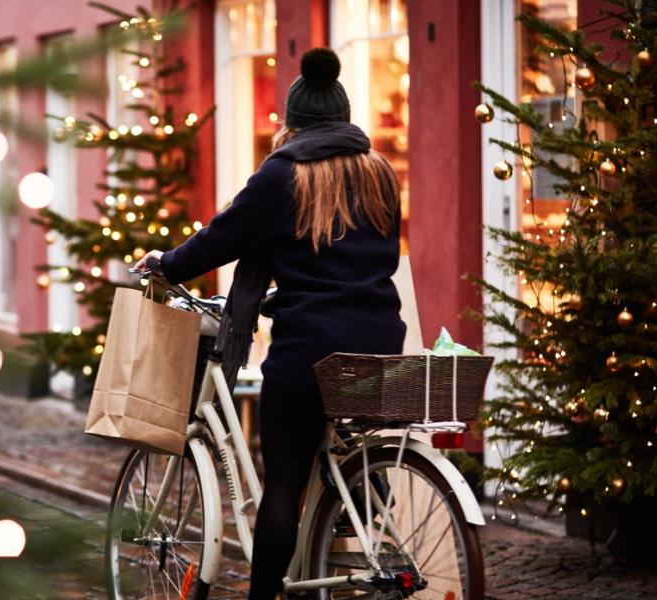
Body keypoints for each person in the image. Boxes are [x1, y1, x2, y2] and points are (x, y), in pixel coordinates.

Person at [134, 48, 405, 600]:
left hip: (309, 346)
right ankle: (351, 515)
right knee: (339, 449)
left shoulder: (283, 176)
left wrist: (165, 263)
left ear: (293, 121)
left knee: (283, 479)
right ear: (344, 117)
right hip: (380, 340)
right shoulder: (379, 172)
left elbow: (221, 238)